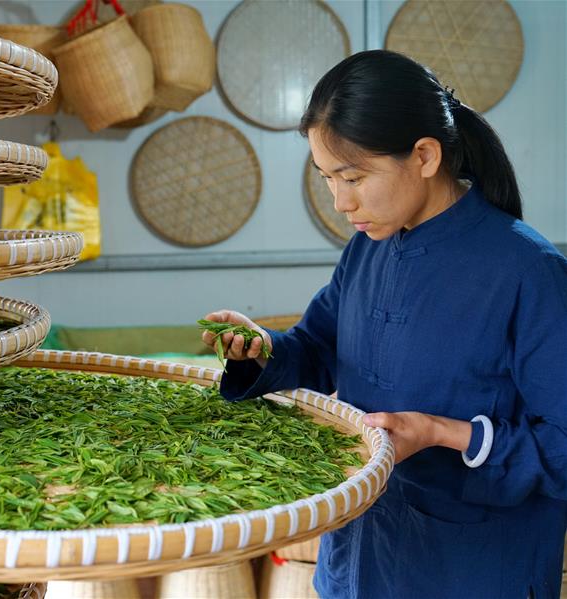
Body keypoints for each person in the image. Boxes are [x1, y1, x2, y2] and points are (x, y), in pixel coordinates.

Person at [201, 50, 567, 599]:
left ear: (423, 156)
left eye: (352, 177)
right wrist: (260, 351)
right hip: (359, 553)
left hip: (469, 568)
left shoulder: (527, 271)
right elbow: (319, 347)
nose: (339, 202)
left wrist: (444, 434)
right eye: (328, 179)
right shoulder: (365, 251)